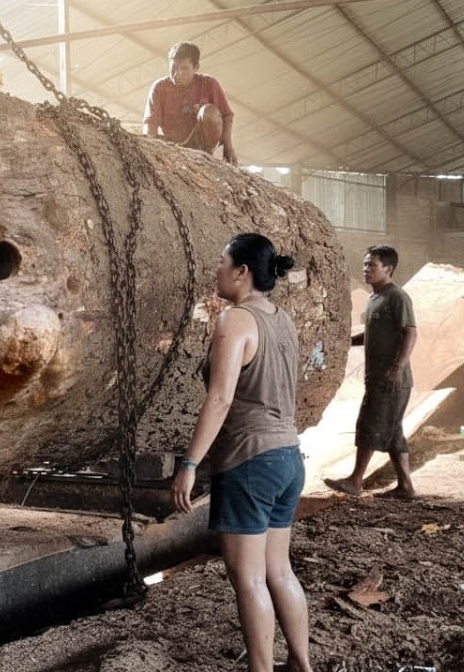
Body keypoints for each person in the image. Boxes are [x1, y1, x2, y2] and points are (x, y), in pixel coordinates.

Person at [171, 233, 311, 672]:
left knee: (249, 580)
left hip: (249, 461)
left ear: (242, 271)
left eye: (221, 262)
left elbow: (219, 399)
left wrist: (190, 464)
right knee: (278, 571)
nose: (216, 270)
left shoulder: (235, 320)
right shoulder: (282, 319)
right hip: (288, 458)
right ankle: (301, 664)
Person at [324, 245, 419, 499]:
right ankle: (406, 486)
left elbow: (410, 332)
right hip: (379, 378)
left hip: (392, 380)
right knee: (393, 431)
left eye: (371, 266)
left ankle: (355, 481)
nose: (365, 270)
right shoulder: (375, 298)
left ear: (387, 269)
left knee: (369, 425)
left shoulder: (397, 297)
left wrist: (396, 369)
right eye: (365, 265)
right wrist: (347, 341)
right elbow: (374, 334)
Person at [142, 41, 237, 164]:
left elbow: (227, 115)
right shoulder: (159, 88)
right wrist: (150, 148)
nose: (177, 73)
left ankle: (206, 155)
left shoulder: (209, 84)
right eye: (173, 68)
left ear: (196, 68)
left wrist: (228, 146)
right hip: (172, 144)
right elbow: (150, 122)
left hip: (201, 144)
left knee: (209, 111)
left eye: (184, 68)